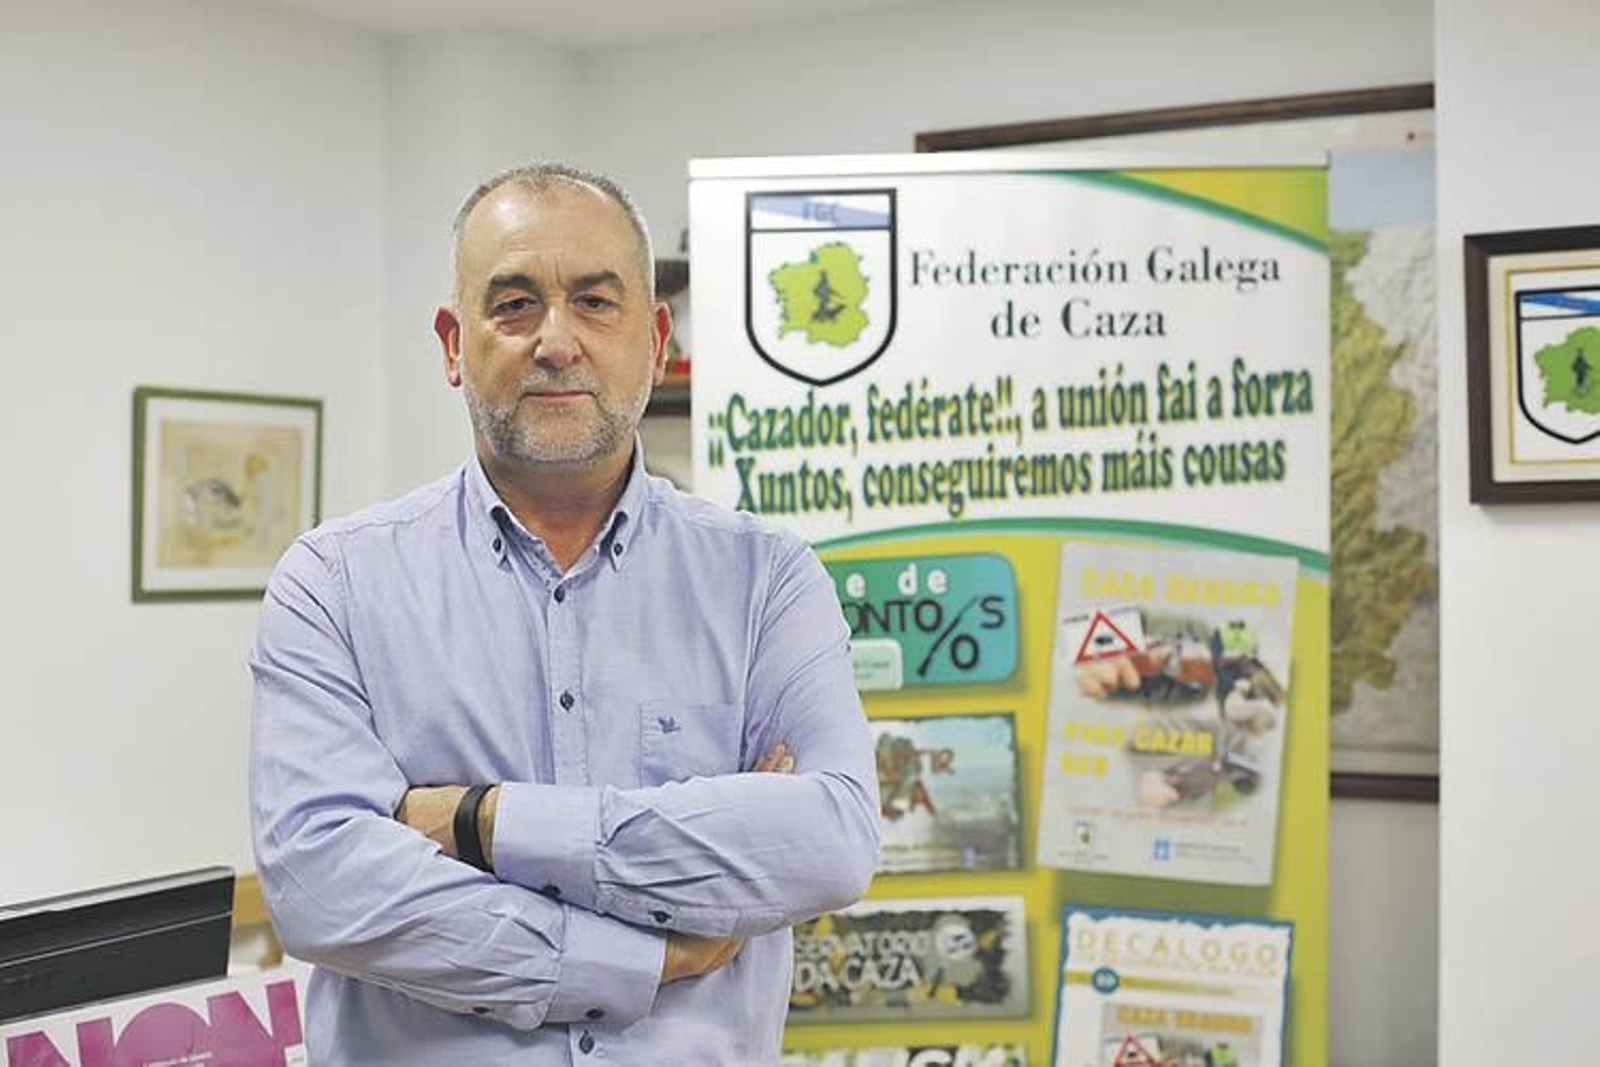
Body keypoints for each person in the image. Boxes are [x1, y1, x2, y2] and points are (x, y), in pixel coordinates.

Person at [249, 163, 881, 1064]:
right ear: (451, 342)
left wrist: (481, 821)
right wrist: (644, 954)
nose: (556, 341)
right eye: (513, 304)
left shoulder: (767, 581)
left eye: (595, 301)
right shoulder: (333, 584)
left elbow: (830, 844)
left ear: (655, 339)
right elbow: (323, 888)